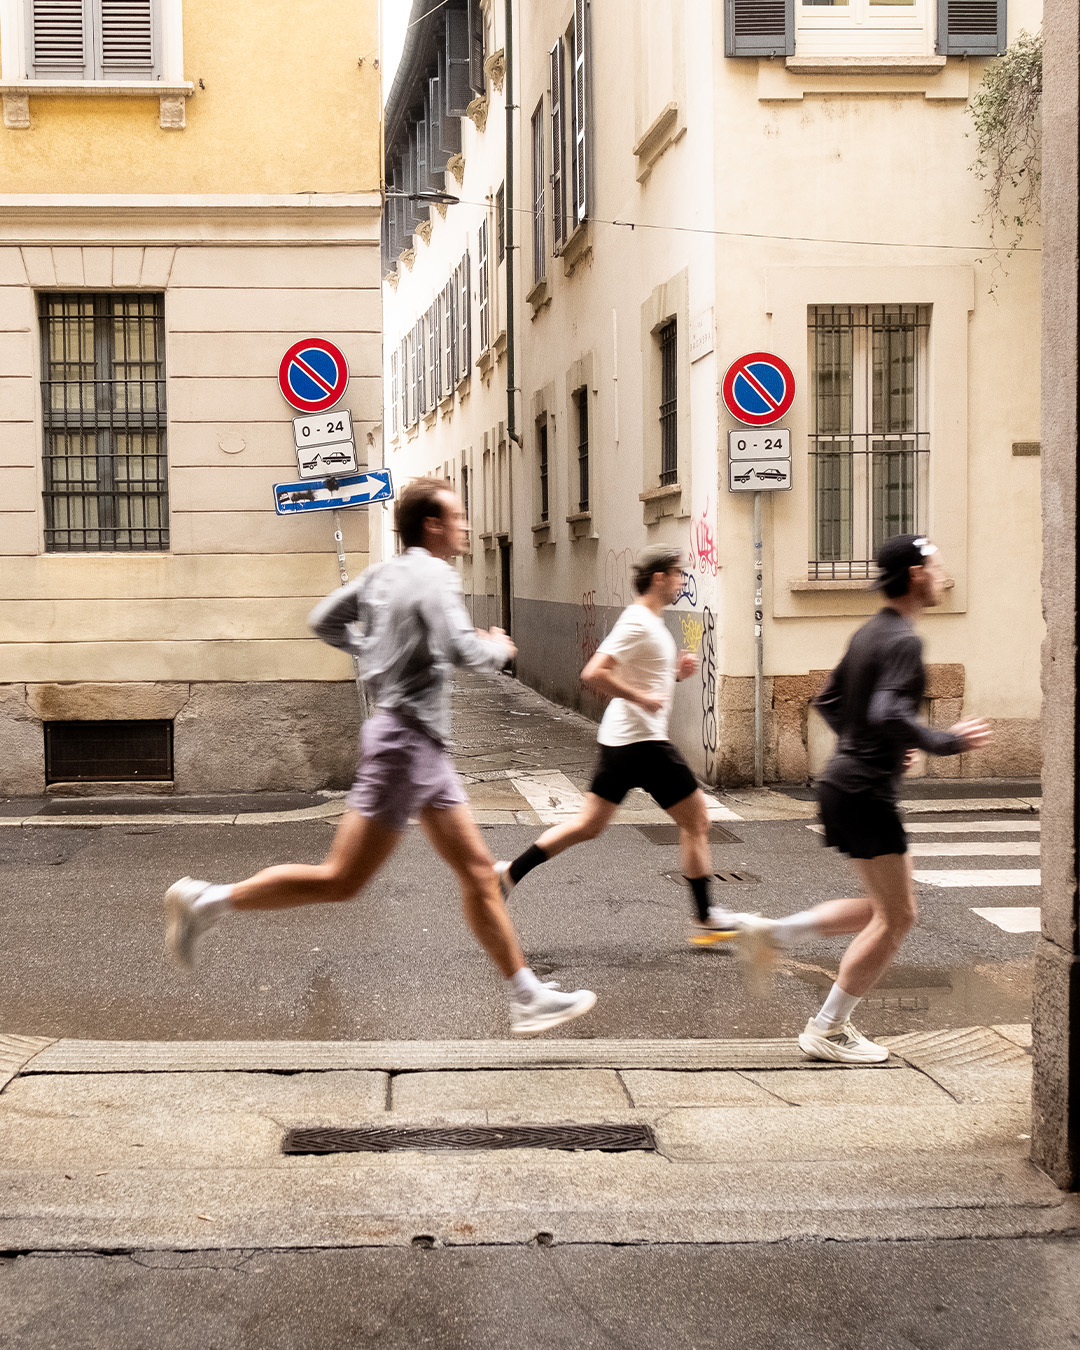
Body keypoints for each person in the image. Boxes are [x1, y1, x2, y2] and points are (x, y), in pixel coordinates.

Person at [164, 477, 597, 1037]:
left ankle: (527, 995)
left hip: (417, 744)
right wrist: (501, 648)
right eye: (457, 516)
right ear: (433, 525)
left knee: (476, 874)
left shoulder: (384, 573)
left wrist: (373, 651)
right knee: (343, 880)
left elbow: (325, 620)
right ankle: (206, 901)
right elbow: (463, 648)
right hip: (407, 744)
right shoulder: (436, 574)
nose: (465, 526)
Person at [736, 534, 990, 1063]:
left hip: (842, 783)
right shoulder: (903, 640)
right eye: (938, 567)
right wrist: (946, 740)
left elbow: (830, 700)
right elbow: (886, 712)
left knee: (884, 908)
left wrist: (866, 743)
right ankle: (827, 1029)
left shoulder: (869, 632)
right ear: (917, 575)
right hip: (863, 791)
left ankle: (774, 933)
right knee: (897, 918)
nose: (945, 576)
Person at [495, 544, 748, 943]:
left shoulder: (649, 621)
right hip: (643, 743)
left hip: (624, 743)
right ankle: (705, 919)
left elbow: (643, 675)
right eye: (677, 574)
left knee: (588, 826)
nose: (682, 580)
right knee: (697, 820)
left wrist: (675, 673)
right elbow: (593, 673)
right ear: (659, 578)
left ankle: (510, 873)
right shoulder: (638, 622)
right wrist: (639, 698)